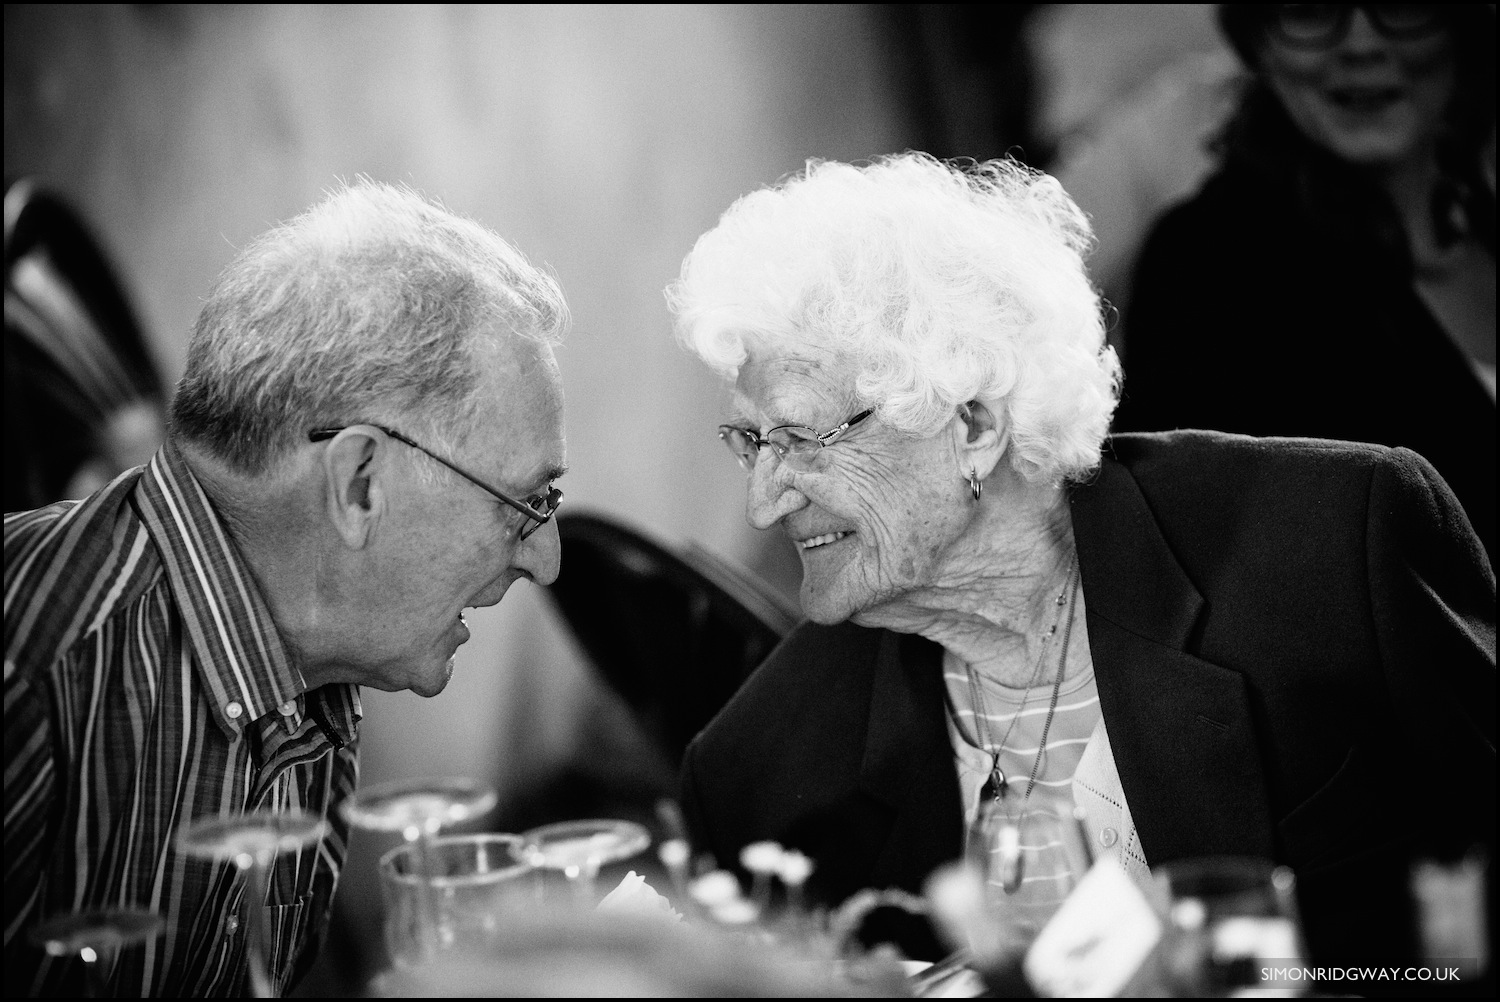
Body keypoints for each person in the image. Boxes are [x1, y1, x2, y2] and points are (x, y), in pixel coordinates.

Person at [667, 153, 1494, 973]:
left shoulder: (1334, 551)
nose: (765, 504)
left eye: (803, 438)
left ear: (977, 426)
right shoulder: (758, 776)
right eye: (752, 442)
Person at [3, 181, 569, 996]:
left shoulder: (311, 667)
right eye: (527, 503)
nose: (545, 559)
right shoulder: (34, 667)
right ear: (361, 483)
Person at [1114, 4, 1496, 563]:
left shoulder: (1482, 220)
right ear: (1258, 42)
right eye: (1312, 9)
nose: (1361, 43)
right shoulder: (1209, 268)